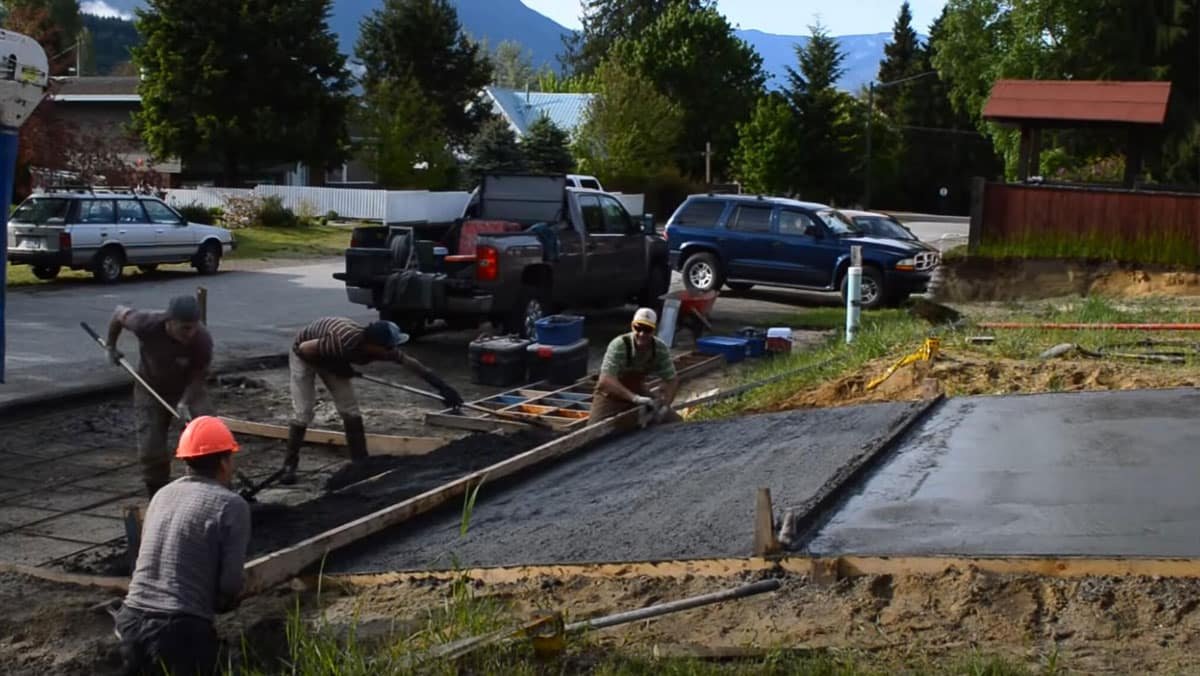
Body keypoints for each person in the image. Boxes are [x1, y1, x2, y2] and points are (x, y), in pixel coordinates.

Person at [115, 416, 251, 676]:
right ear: (223, 462)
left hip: (130, 621)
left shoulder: (161, 495)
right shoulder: (231, 505)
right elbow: (231, 584)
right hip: (177, 631)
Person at [282, 317, 464, 484]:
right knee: (304, 411)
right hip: (304, 355)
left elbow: (412, 364)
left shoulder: (383, 350)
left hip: (331, 356)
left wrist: (442, 387)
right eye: (388, 347)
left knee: (350, 410)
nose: (392, 351)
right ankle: (289, 466)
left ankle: (360, 463)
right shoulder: (343, 341)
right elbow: (304, 349)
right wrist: (336, 367)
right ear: (372, 344)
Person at [106, 295, 213, 497]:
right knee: (151, 448)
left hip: (188, 390)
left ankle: (210, 486)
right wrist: (111, 346)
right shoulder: (146, 324)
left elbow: (199, 377)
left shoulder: (202, 341)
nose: (190, 333)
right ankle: (158, 495)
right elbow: (119, 313)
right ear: (169, 321)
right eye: (184, 328)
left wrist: (185, 402)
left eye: (193, 327)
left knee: (207, 436)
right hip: (150, 389)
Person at [589, 307, 682, 425]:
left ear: (654, 331)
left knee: (675, 421)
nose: (642, 334)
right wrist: (635, 398)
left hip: (638, 391)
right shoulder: (619, 345)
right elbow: (605, 380)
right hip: (611, 396)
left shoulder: (659, 349)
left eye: (647, 330)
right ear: (632, 326)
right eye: (638, 328)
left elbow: (672, 379)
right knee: (594, 432)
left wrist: (665, 405)